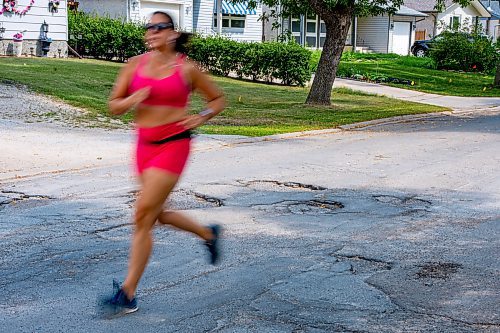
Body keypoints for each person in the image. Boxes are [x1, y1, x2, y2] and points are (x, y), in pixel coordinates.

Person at [102, 11, 226, 316]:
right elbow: (113, 106)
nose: (153, 31)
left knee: (143, 214)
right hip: (144, 146)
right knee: (155, 215)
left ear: (172, 33)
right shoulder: (134, 65)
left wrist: (202, 115)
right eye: (149, 27)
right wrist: (133, 100)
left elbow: (217, 99)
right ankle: (208, 235)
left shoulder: (187, 69)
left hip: (174, 145)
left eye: (160, 26)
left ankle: (128, 293)